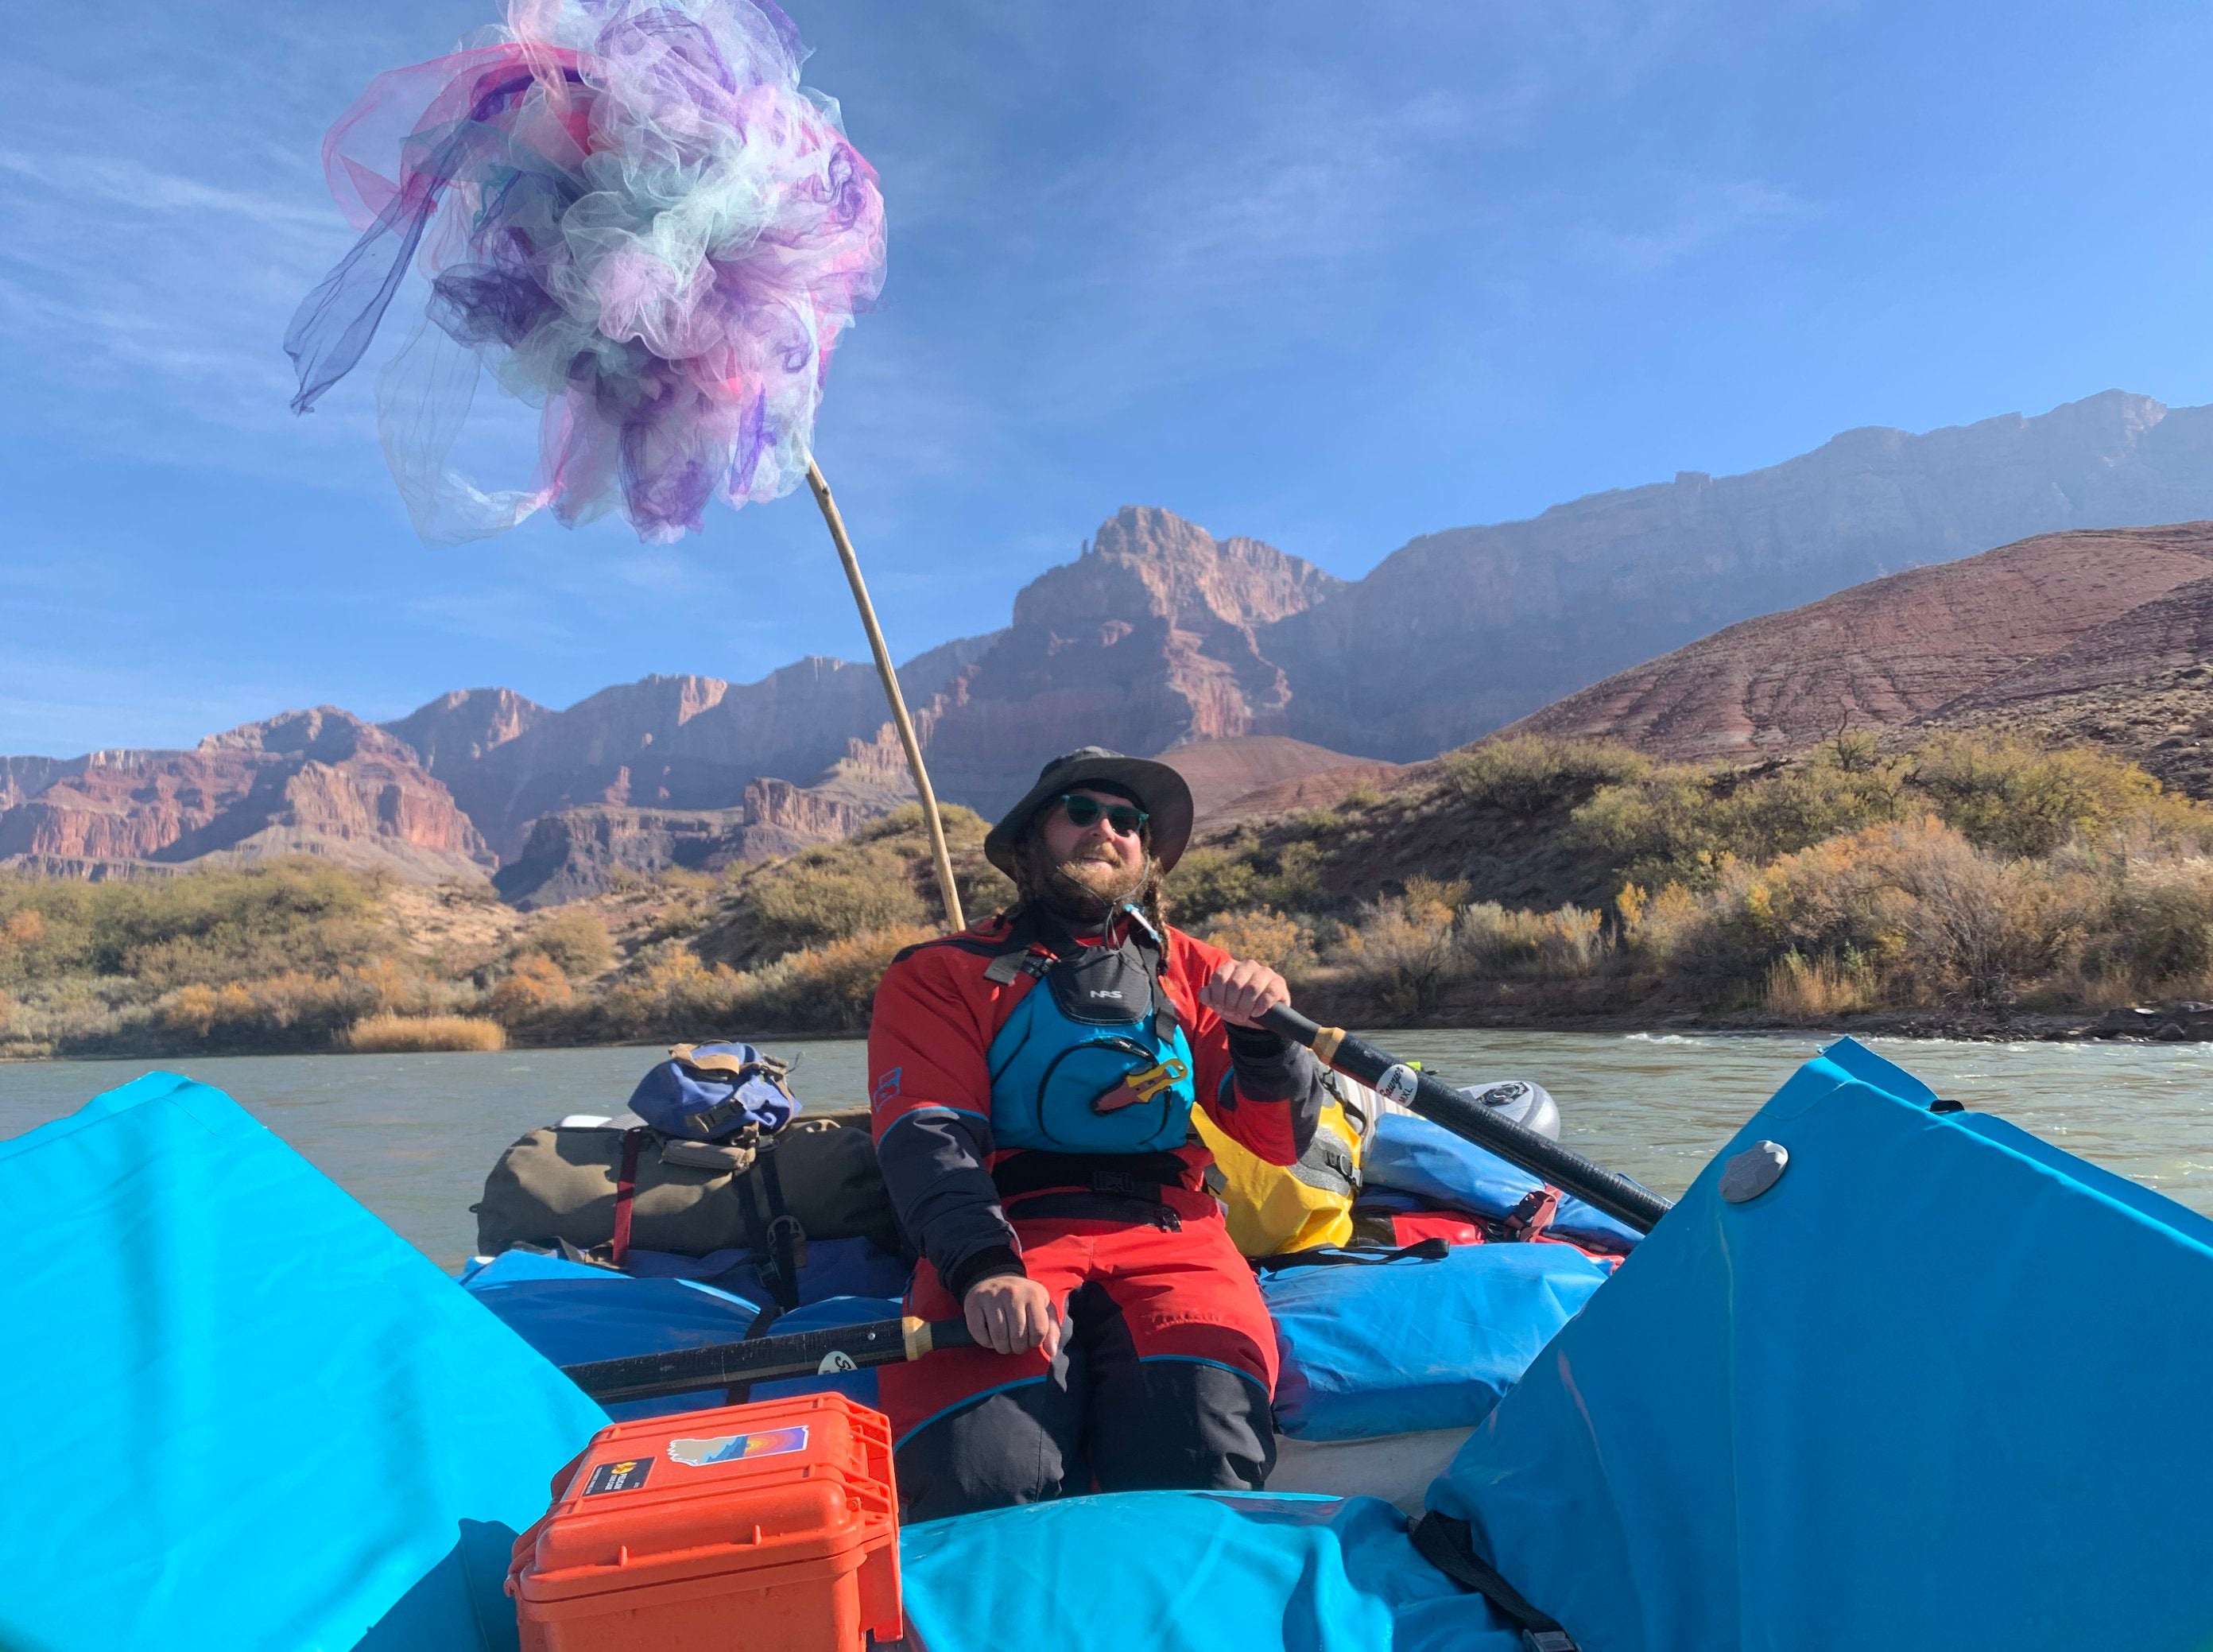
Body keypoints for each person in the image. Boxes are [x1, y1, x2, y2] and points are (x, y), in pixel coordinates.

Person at [868, 747, 1327, 1519]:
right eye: (1080, 811)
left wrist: (1262, 1037)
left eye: (1128, 820)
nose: (1106, 829)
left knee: (1203, 1466)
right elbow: (929, 1134)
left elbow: (1280, 1139)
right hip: (1010, 1235)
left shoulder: (1199, 970)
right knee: (984, 1482)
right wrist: (981, 1266)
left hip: (1177, 1233)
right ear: (1030, 840)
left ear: (1146, 852)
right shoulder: (939, 972)